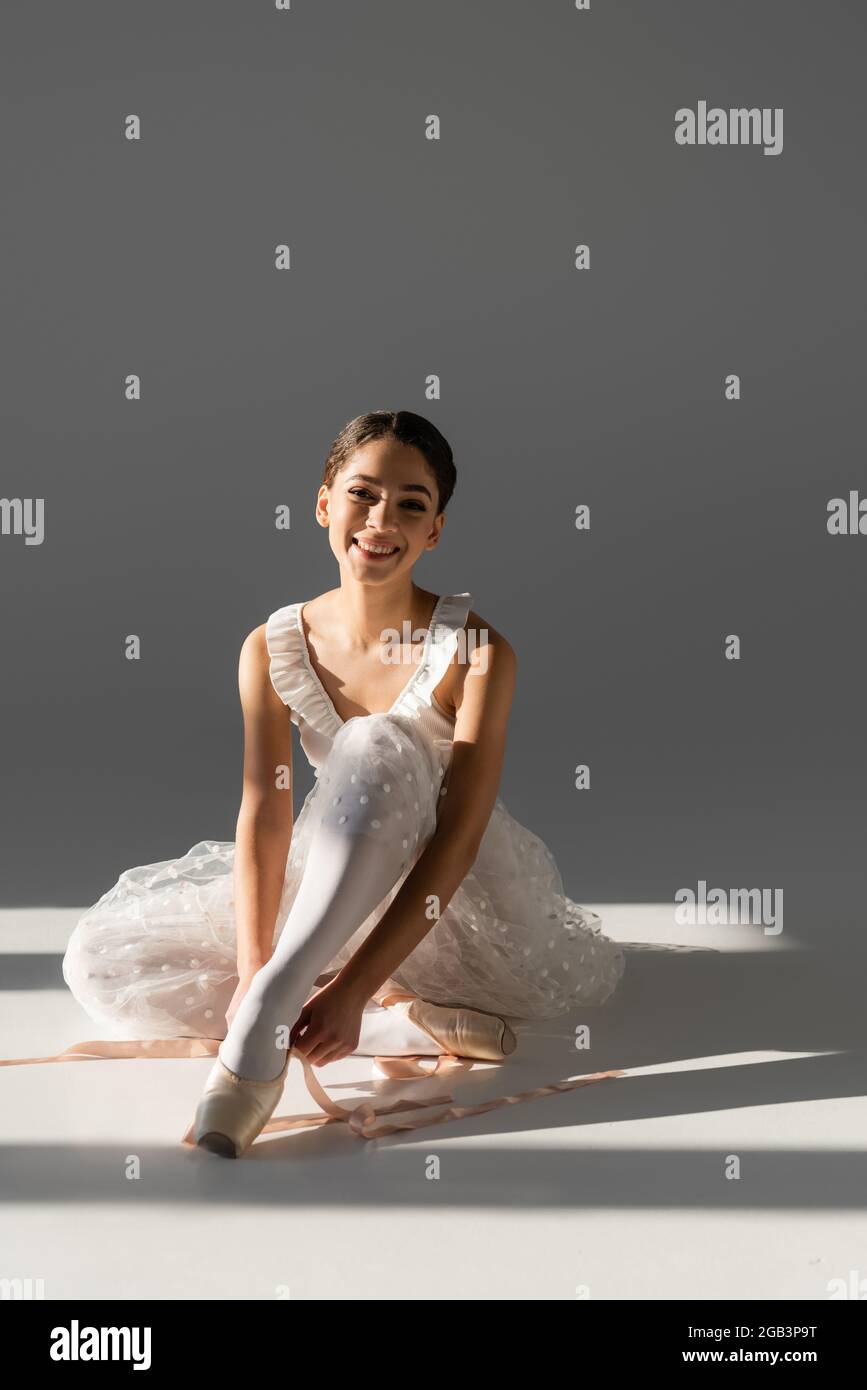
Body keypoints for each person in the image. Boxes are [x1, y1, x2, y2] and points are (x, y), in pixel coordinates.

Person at [62, 410, 625, 1157]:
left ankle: (288, 1020)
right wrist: (253, 964)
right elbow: (266, 808)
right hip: (333, 880)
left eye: (411, 504)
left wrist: (351, 983)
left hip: (446, 901)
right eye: (362, 494)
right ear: (324, 504)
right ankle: (395, 1017)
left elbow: (458, 831)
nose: (381, 519)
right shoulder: (270, 647)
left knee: (375, 738)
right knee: (99, 963)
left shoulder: (479, 650)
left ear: (435, 531)